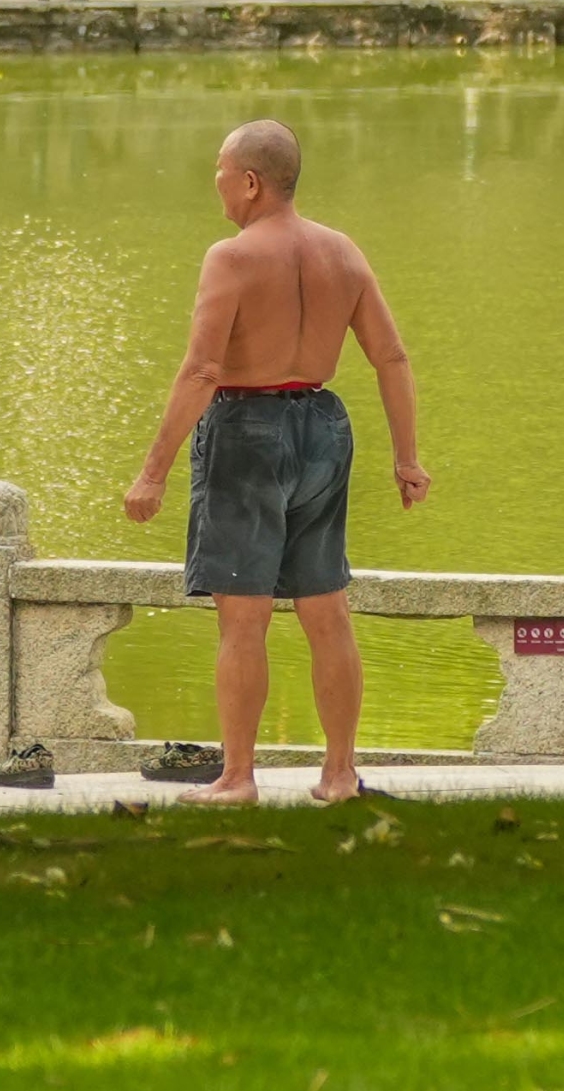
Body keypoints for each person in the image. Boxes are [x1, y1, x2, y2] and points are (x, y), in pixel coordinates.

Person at [120, 116, 424, 805]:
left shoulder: (231, 257)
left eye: (221, 174)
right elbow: (392, 357)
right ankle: (340, 775)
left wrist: (153, 473)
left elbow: (201, 371)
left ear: (251, 182)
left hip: (247, 432)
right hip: (322, 427)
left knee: (245, 617)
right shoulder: (342, 251)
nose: (218, 187)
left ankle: (237, 778)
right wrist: (407, 459)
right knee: (328, 611)